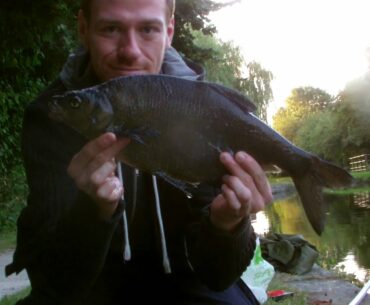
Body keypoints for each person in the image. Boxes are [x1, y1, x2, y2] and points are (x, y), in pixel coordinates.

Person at [6, 0, 273, 304]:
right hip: (93, 277)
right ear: (84, 28)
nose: (130, 50)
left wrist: (227, 225)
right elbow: (54, 283)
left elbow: (218, 275)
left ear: (169, 31)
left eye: (147, 29)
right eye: (110, 28)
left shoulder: (203, 108)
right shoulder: (56, 114)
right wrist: (92, 212)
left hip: (183, 271)